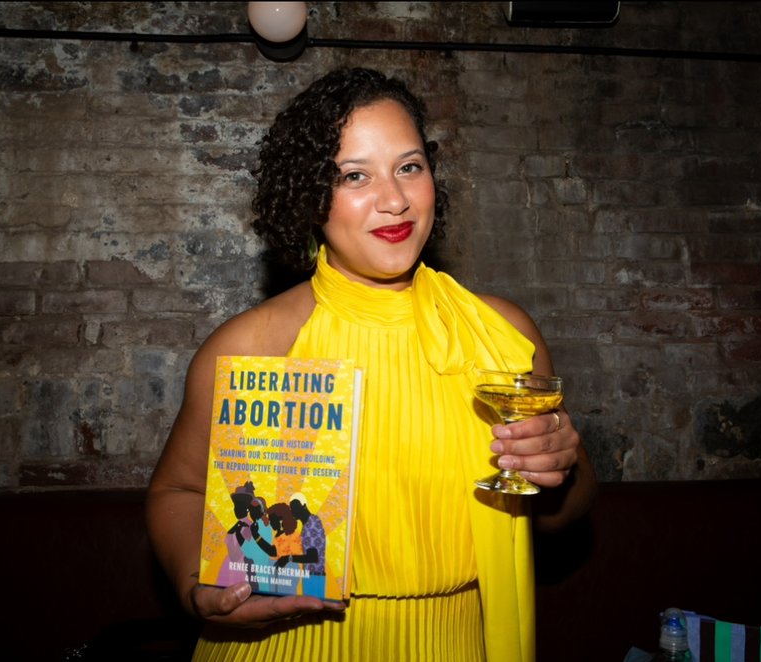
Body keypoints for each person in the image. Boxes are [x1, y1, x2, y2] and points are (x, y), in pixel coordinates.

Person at [146, 66, 597, 662]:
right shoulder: (251, 346)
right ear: (310, 197)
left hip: (462, 643)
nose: (395, 200)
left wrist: (560, 465)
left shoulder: (503, 335)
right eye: (355, 176)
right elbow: (177, 491)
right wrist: (195, 586)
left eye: (409, 167)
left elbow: (568, 513)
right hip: (286, 646)